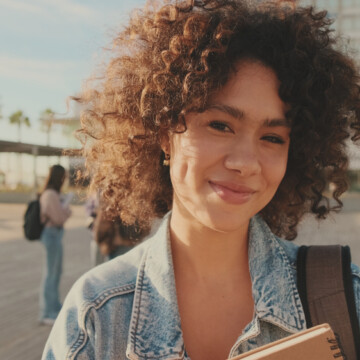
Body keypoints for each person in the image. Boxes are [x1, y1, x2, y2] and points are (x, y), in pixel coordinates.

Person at [42, 0, 360, 358]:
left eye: (272, 137)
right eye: (220, 125)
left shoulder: (344, 297)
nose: (245, 163)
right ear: (165, 133)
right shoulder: (97, 314)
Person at [39, 164, 71, 325]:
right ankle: (47, 312)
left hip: (55, 235)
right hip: (51, 234)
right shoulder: (51, 194)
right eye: (63, 176)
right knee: (51, 273)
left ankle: (54, 306)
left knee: (56, 272)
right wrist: (67, 211)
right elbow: (58, 218)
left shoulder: (53, 194)